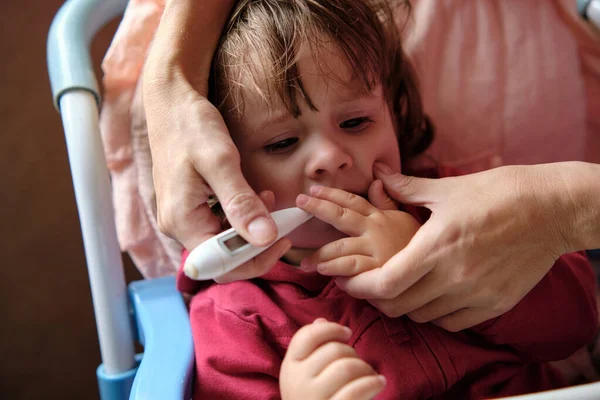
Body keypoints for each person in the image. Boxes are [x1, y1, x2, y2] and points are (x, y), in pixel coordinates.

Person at [174, 1, 598, 398]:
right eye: (283, 142)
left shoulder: (457, 206)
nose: (331, 158)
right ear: (223, 170)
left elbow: (576, 326)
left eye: (356, 121)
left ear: (392, 111)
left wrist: (435, 262)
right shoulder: (237, 316)